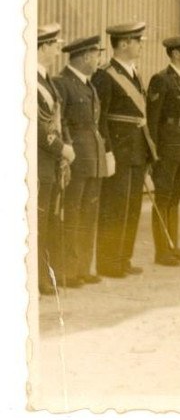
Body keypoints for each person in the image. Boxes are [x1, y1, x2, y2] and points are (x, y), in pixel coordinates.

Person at [92, 22, 154, 278]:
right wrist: (107, 152)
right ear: (125, 43)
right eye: (138, 41)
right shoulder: (105, 76)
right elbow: (100, 119)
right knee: (114, 208)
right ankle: (108, 262)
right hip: (118, 152)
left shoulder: (134, 73)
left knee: (132, 208)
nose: (141, 46)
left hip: (136, 150)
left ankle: (123, 258)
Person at [53, 35, 109, 287]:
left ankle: (83, 268)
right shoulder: (62, 83)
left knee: (88, 215)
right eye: (97, 55)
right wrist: (66, 153)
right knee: (72, 215)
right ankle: (68, 270)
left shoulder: (88, 85)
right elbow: (60, 121)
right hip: (76, 160)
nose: (99, 60)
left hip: (93, 159)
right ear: (86, 56)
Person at [147, 34, 180, 266]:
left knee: (175, 199)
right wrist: (153, 153)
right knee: (163, 198)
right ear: (176, 54)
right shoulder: (161, 80)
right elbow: (153, 119)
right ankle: (162, 251)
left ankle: (173, 245)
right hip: (167, 147)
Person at [36, 23, 73, 295]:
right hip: (39, 162)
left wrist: (65, 146)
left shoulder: (46, 79)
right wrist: (61, 148)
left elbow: (58, 120)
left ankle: (47, 275)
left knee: (49, 219)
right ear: (41, 48)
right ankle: (39, 279)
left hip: (50, 163)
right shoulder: (30, 80)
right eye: (53, 45)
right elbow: (39, 127)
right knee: (39, 221)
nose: (57, 50)